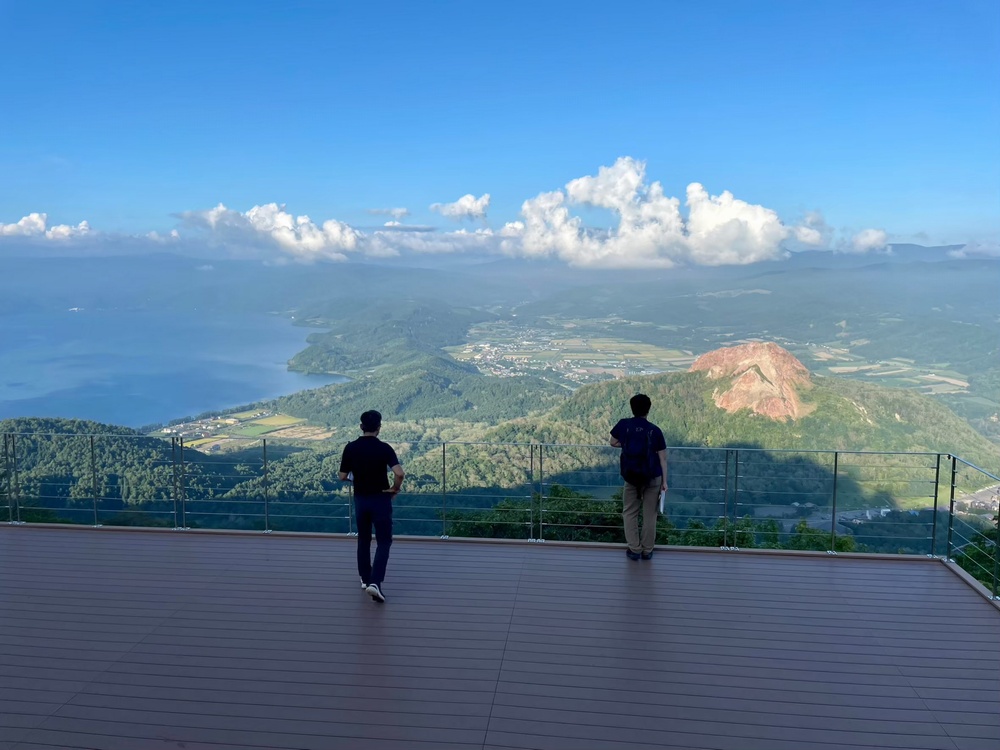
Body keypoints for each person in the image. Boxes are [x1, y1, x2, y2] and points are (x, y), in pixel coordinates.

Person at [338, 410, 404, 603]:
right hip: (380, 499)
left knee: (363, 539)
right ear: (379, 428)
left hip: (361, 499)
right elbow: (399, 473)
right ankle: (375, 583)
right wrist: (394, 489)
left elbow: (342, 476)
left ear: (361, 427)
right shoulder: (384, 448)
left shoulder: (351, 448)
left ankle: (365, 579)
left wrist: (356, 477)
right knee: (384, 541)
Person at [610, 393, 667, 561]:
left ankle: (634, 549)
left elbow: (613, 442)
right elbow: (663, 458)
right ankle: (647, 550)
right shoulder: (655, 430)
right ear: (648, 410)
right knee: (650, 514)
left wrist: (625, 444)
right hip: (652, 477)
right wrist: (665, 482)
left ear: (632, 408)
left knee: (629, 512)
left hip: (631, 476)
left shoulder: (623, 425)